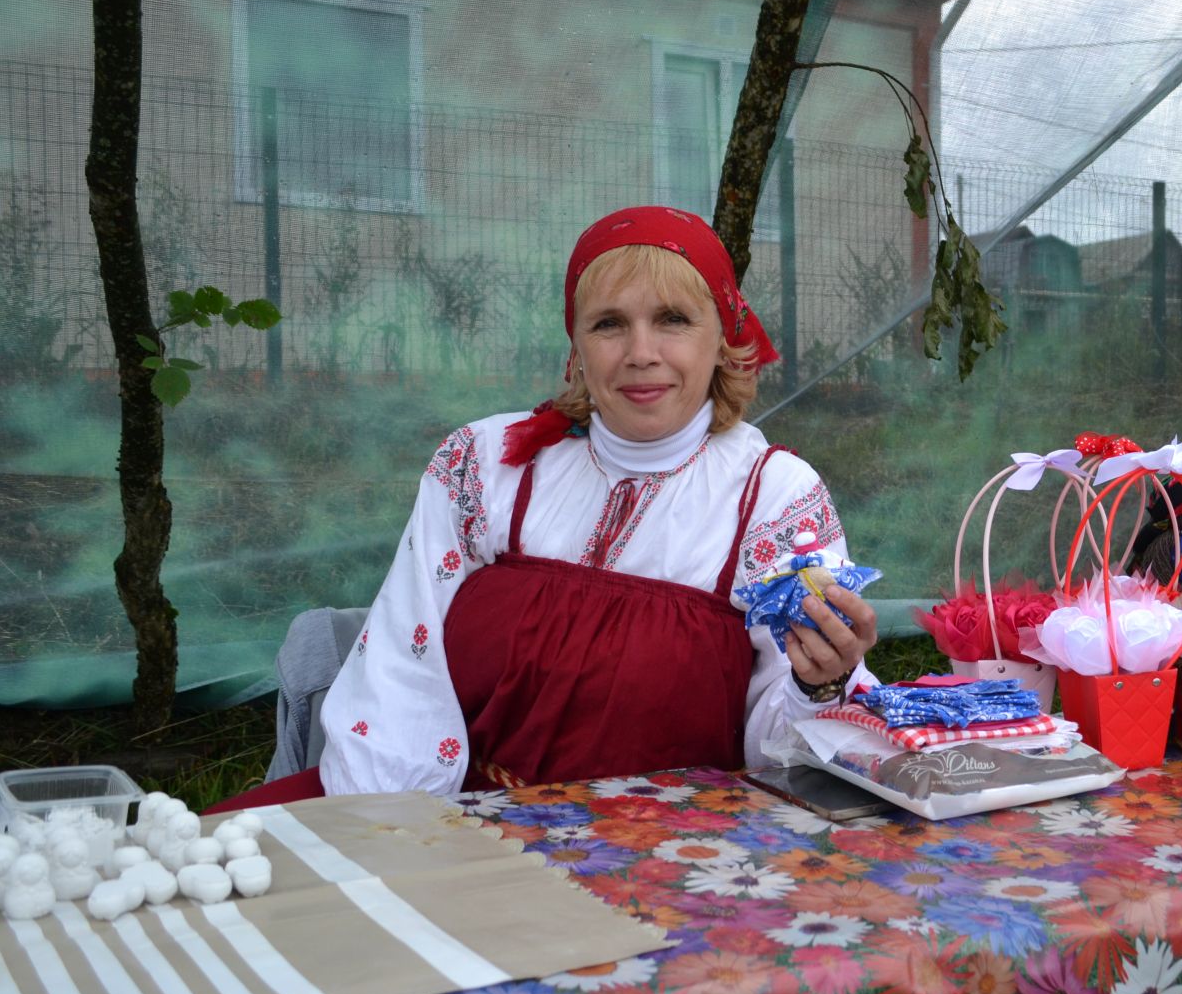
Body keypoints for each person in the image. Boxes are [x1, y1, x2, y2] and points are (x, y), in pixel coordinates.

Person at [225, 206, 877, 805]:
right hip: (457, 821)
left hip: (666, 851)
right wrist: (398, 839)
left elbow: (776, 755)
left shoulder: (775, 499)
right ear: (578, 348)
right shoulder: (486, 465)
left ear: (722, 340)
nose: (641, 352)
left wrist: (818, 684)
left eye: (673, 319)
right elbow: (404, 668)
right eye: (609, 324)